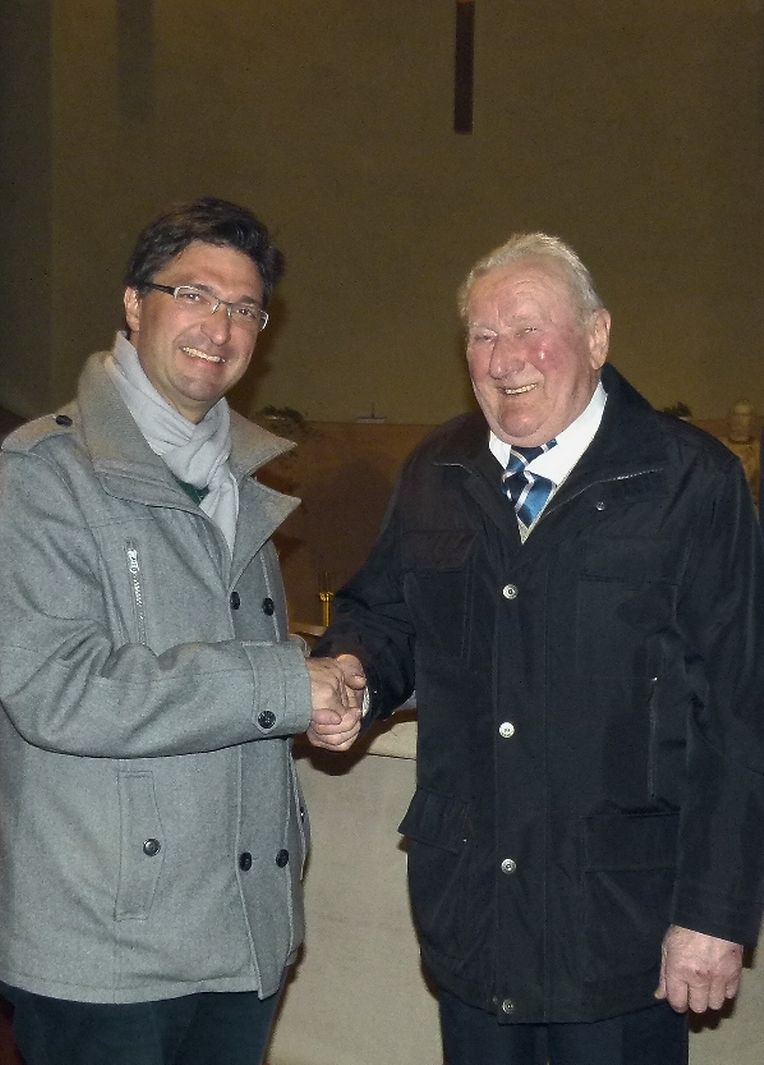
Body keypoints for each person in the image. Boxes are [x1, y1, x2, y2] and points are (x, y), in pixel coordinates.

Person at [312, 233, 764, 1064]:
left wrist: (714, 911)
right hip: (474, 913)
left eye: (528, 329)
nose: (504, 357)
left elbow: (740, 709)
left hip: (620, 924)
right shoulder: (438, 470)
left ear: (596, 336)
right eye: (482, 335)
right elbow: (388, 614)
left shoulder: (689, 481)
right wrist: (354, 671)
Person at [0, 196, 362, 1065]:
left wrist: (315, 694)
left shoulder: (238, 477)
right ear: (135, 303)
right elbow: (59, 688)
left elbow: (224, 667)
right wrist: (283, 683)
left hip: (243, 931)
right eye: (194, 294)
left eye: (245, 308)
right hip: (105, 950)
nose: (220, 327)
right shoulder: (42, 475)